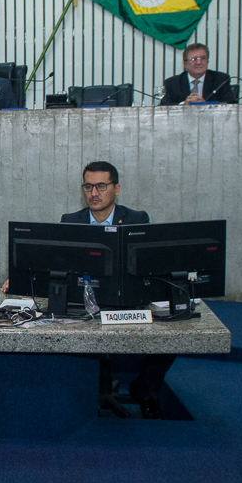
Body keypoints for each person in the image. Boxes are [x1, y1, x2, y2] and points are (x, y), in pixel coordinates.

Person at [61, 161, 170, 420]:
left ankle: (145, 388)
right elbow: (60, 264)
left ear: (116, 188)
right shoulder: (70, 222)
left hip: (126, 303)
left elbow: (147, 266)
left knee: (172, 332)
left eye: (101, 186)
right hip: (84, 302)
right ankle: (79, 391)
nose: (94, 193)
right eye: (88, 186)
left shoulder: (136, 219)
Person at [159, 43, 236, 105]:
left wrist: (206, 105)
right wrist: (183, 105)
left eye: (203, 58)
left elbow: (231, 104)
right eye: (194, 59)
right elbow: (164, 106)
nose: (199, 62)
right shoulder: (172, 83)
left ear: (207, 61)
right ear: (185, 64)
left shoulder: (221, 80)